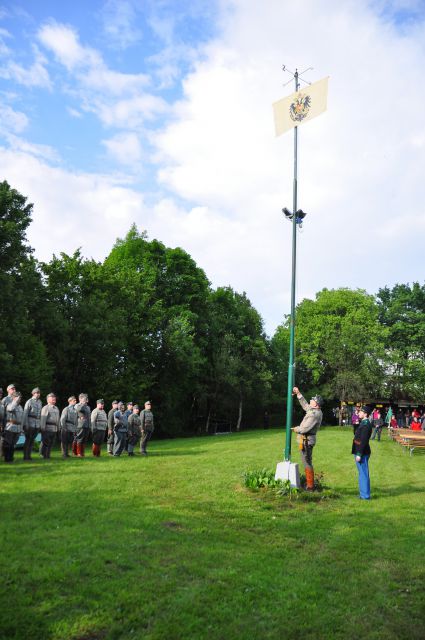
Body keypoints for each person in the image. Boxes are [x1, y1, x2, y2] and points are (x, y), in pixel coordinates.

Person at [291, 387, 323, 491]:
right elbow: (305, 405)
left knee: (307, 462)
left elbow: (305, 428)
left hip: (307, 440)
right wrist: (298, 393)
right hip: (305, 439)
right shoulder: (313, 410)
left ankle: (310, 487)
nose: (310, 401)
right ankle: (309, 484)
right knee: (306, 461)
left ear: (316, 404)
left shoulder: (315, 414)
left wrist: (296, 429)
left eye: (312, 400)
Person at [352, 405, 373, 500]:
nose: (358, 413)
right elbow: (356, 434)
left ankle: (365, 496)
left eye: (360, 412)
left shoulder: (366, 425)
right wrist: (356, 425)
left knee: (363, 474)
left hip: (362, 452)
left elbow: (364, 441)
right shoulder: (363, 423)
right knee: (362, 473)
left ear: (365, 414)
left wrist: (359, 454)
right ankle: (363, 494)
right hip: (360, 450)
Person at [2, 390, 24, 463]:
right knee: (8, 444)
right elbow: (10, 409)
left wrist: (21, 429)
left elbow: (21, 419)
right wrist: (15, 401)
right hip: (10, 427)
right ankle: (7, 459)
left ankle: (11, 458)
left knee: (13, 444)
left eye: (20, 398)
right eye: (18, 397)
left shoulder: (20, 407)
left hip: (17, 428)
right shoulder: (10, 404)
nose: (19, 399)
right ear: (14, 398)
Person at [22, 387, 42, 461]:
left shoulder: (40, 402)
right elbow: (25, 414)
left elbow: (39, 415)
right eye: (37, 393)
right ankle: (25, 456)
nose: (38, 394)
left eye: (39, 393)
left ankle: (29, 455)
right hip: (30, 423)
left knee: (32, 440)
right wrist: (26, 424)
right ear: (33, 393)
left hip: (36, 424)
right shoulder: (29, 401)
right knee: (28, 440)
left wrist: (39, 424)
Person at [40, 393, 60, 459]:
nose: (54, 399)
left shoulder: (56, 408)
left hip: (54, 429)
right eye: (52, 397)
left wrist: (58, 428)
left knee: (51, 443)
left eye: (54, 397)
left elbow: (58, 419)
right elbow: (43, 419)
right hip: (47, 428)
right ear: (48, 400)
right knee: (46, 443)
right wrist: (42, 428)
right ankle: (44, 455)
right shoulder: (46, 408)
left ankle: (48, 455)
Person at [74, 393, 91, 457]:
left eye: (86, 398)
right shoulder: (78, 405)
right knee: (80, 439)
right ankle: (78, 453)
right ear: (80, 399)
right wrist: (83, 403)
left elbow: (89, 416)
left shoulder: (88, 407)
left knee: (84, 439)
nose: (86, 399)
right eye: (84, 398)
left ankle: (82, 452)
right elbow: (79, 410)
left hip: (87, 425)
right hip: (81, 425)